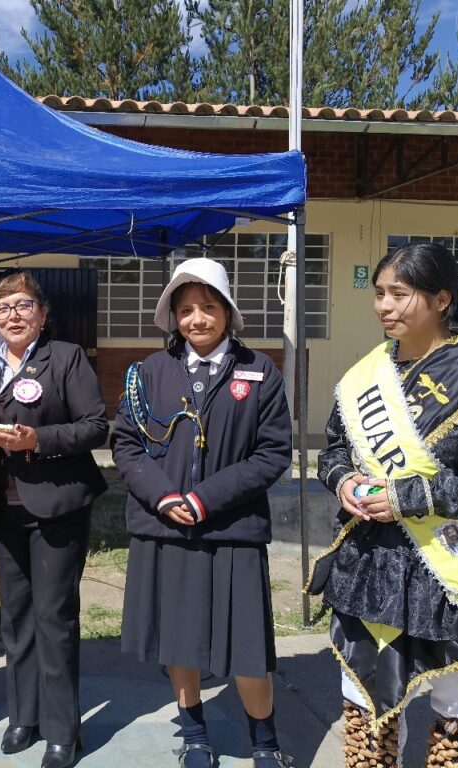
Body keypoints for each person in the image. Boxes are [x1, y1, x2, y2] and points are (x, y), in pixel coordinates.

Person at [307, 242, 458, 768]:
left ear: (442, 299)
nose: (385, 306)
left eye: (400, 294)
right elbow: (333, 448)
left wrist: (410, 496)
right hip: (372, 563)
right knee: (365, 701)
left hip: (448, 569)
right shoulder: (367, 374)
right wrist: (343, 479)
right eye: (379, 293)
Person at [112, 258, 294, 768]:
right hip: (166, 526)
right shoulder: (149, 372)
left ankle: (266, 744)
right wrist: (164, 496)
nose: (197, 319)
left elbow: (273, 452)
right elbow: (126, 444)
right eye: (186, 309)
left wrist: (205, 498)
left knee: (247, 646)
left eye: (208, 306)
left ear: (228, 311)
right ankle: (194, 736)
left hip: (233, 527)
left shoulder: (260, 370)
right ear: (173, 316)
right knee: (179, 640)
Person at [0, 272, 108, 768]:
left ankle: (63, 730)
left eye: (24, 306)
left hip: (57, 507)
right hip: (5, 507)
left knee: (54, 617)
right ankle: (23, 716)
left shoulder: (65, 357)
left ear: (43, 315)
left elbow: (95, 426)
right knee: (16, 616)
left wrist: (38, 440)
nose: (13, 316)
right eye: (3, 308)